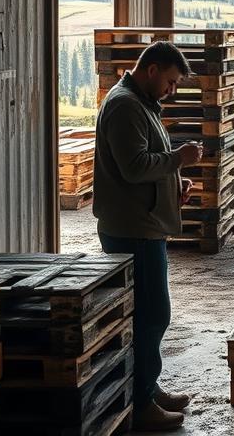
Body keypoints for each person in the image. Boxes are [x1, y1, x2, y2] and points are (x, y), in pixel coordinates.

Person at [93, 40, 203, 432]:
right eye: (171, 82)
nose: (172, 91)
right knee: (153, 313)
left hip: (142, 224)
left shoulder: (140, 103)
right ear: (152, 69)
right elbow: (134, 168)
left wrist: (175, 181)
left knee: (149, 313)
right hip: (132, 230)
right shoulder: (125, 105)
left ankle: (148, 387)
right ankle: (141, 403)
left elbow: (143, 164)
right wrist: (179, 159)